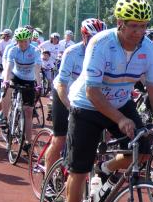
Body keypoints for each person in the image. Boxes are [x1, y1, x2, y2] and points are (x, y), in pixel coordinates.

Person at [60, 0, 153, 202]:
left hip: (121, 102)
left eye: (144, 25)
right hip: (88, 106)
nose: (140, 31)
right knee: (79, 169)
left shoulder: (149, 49)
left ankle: (105, 169)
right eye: (134, 25)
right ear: (120, 22)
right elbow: (92, 91)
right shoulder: (101, 43)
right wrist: (121, 119)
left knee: (143, 150)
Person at [46, 18, 107, 177]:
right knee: (60, 139)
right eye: (92, 38)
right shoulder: (72, 52)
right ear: (84, 36)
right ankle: (48, 179)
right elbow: (62, 84)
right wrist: (68, 105)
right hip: (64, 94)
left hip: (85, 98)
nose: (96, 42)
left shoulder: (105, 54)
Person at [3, 27, 42, 154]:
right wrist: (6, 80)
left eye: (25, 41)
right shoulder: (13, 50)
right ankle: (6, 118)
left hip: (29, 79)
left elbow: (37, 67)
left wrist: (39, 84)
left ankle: (28, 142)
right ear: (17, 41)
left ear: (29, 40)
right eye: (20, 42)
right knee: (7, 90)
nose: (23, 44)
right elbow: (9, 66)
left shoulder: (35, 50)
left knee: (29, 112)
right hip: (16, 76)